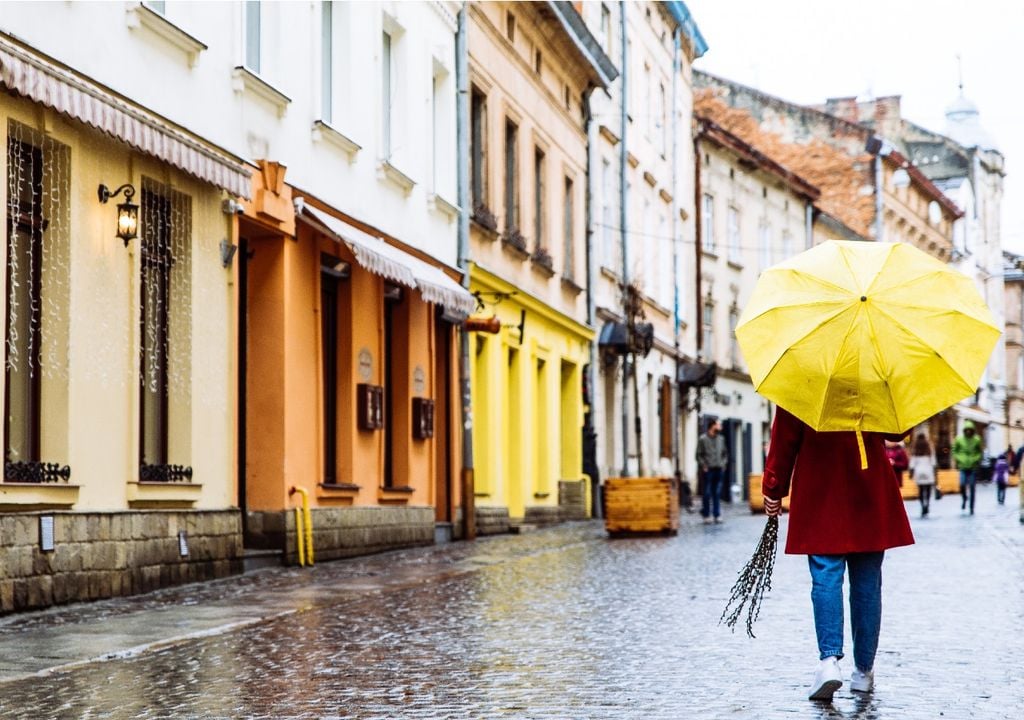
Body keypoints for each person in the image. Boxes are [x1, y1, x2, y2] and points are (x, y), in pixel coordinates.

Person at [762, 407, 914, 702]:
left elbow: (786, 435)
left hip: (821, 484)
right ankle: (864, 672)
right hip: (868, 484)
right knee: (868, 582)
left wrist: (773, 487)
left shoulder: (804, 372)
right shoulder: (874, 370)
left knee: (825, 573)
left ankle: (829, 662)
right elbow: (897, 430)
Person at [696, 419, 728, 524]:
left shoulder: (721, 439)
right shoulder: (703, 439)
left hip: (719, 469)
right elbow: (698, 454)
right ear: (712, 426)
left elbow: (725, 454)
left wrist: (723, 464)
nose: (720, 426)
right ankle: (706, 515)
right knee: (707, 493)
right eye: (719, 424)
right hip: (708, 470)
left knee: (717, 493)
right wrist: (703, 465)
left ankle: (717, 515)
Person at [952, 421, 983, 515]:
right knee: (962, 484)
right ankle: (964, 498)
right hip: (963, 466)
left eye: (970, 430)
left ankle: (971, 507)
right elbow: (954, 450)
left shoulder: (977, 439)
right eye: (967, 430)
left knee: (972, 486)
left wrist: (976, 459)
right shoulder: (959, 439)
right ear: (965, 430)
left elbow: (979, 451)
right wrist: (958, 459)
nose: (968, 432)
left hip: (973, 466)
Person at [908, 433, 936, 517]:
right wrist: (935, 471)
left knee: (920, 490)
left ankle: (922, 505)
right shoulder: (929, 447)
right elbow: (933, 461)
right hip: (928, 470)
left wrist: (911, 472)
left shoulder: (915, 448)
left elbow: (912, 462)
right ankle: (927, 504)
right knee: (928, 490)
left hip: (919, 471)